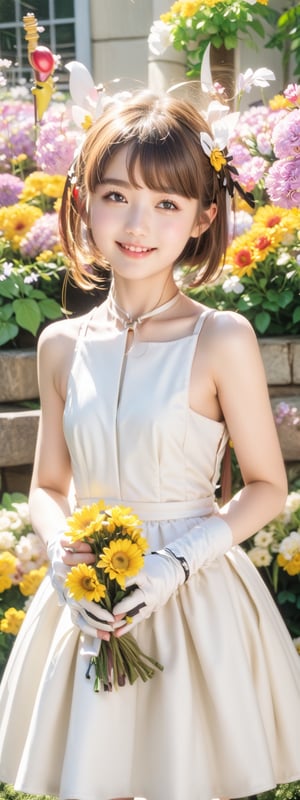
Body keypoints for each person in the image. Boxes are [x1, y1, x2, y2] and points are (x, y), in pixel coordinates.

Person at [0, 89, 299, 800]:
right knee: (96, 778)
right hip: (90, 592)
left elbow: (266, 485)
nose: (138, 224)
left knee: (184, 775)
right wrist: (67, 556)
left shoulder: (221, 337)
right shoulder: (60, 345)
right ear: (82, 202)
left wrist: (172, 564)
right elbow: (46, 484)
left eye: (167, 204)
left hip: (191, 589)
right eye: (116, 195)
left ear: (202, 219)